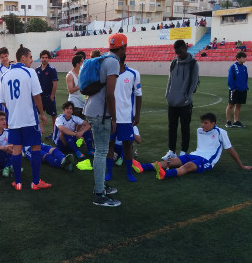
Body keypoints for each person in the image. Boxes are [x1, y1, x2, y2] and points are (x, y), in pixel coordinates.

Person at [134, 113, 252, 179]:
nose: (202, 125)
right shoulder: (199, 130)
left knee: (188, 166)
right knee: (169, 161)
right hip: (194, 155)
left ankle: (165, 174)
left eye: (205, 123)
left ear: (213, 123)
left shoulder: (221, 132)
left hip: (207, 160)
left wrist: (241, 165)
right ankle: (142, 167)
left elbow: (230, 149)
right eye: (202, 122)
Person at [83, 33, 127, 207]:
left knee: (100, 151)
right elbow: (110, 93)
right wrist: (114, 118)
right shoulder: (113, 62)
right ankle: (99, 193)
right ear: (123, 47)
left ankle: (100, 186)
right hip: (101, 113)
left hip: (92, 109)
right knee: (101, 152)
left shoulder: (103, 58)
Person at [0, 46, 50, 191]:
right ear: (23, 58)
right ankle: (35, 182)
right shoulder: (30, 72)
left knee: (16, 149)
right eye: (30, 57)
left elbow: (2, 100)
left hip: (13, 120)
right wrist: (42, 114)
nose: (32, 60)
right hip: (29, 119)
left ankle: (18, 183)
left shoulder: (4, 75)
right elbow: (37, 95)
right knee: (35, 147)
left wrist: (13, 109)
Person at [105, 55, 142, 182]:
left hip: (126, 118)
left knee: (127, 145)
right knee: (109, 145)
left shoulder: (133, 74)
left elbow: (138, 94)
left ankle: (129, 173)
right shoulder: (108, 75)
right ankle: (109, 172)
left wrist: (137, 115)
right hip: (110, 117)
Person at [163, 39, 199, 161]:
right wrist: (167, 95)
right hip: (172, 102)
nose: (179, 54)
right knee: (171, 128)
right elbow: (170, 80)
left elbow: (194, 83)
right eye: (177, 52)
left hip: (185, 103)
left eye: (180, 51)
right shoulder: (173, 63)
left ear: (186, 48)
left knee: (185, 128)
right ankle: (171, 151)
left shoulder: (193, 63)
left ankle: (183, 152)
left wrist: (186, 97)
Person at [35, 50, 59, 139]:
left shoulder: (52, 69)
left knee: (53, 115)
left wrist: (52, 96)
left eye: (46, 58)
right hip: (39, 97)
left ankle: (54, 133)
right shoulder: (36, 70)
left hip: (48, 97)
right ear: (40, 58)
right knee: (35, 115)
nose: (44, 59)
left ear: (48, 59)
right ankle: (37, 131)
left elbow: (55, 83)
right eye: (42, 57)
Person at [225, 52, 248, 128]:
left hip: (242, 89)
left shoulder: (245, 68)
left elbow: (246, 78)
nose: (245, 59)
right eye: (243, 57)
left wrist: (245, 86)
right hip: (235, 90)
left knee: (238, 105)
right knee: (230, 105)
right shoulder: (233, 67)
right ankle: (228, 122)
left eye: (245, 57)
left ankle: (236, 121)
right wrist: (232, 88)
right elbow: (230, 79)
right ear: (238, 58)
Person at [0, 47, 11, 118]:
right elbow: (0, 86)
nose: (4, 59)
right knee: (6, 119)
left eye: (6, 56)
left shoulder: (13, 66)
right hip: (5, 98)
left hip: (13, 97)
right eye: (2, 57)